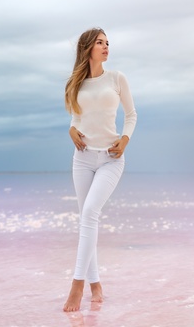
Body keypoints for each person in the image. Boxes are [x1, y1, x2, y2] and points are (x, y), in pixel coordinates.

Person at [62, 27, 138, 312]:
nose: (106, 46)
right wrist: (71, 129)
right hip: (82, 158)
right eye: (100, 42)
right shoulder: (76, 83)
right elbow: (75, 116)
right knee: (86, 219)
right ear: (87, 48)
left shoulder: (117, 78)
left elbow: (131, 114)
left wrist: (125, 139)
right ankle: (96, 284)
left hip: (110, 159)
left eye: (108, 43)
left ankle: (77, 286)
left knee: (90, 213)